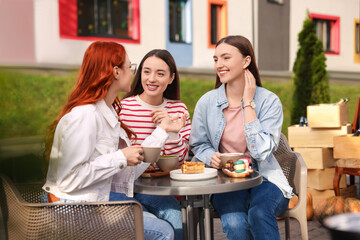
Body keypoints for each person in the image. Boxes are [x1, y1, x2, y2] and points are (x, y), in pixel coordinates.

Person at [43, 41, 187, 240]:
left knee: (165, 221)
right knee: (162, 232)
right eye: (131, 67)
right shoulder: (85, 115)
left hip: (94, 202)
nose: (133, 73)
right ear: (116, 72)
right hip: (74, 208)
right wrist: (120, 158)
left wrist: (163, 131)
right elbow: (69, 179)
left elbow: (129, 170)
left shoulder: (108, 112)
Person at [189, 35, 293, 240]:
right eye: (216, 59)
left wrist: (247, 103)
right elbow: (199, 144)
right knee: (235, 222)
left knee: (259, 214)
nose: (219, 65)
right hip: (225, 179)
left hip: (265, 177)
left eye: (226, 58)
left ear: (246, 61)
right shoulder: (206, 103)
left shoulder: (269, 101)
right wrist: (211, 156)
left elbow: (261, 152)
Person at [120, 49, 191, 240]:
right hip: (131, 185)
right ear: (139, 73)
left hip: (163, 187)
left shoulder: (178, 109)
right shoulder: (124, 108)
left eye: (160, 74)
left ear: (171, 78)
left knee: (177, 216)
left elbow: (182, 158)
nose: (152, 79)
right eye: (146, 71)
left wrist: (172, 131)